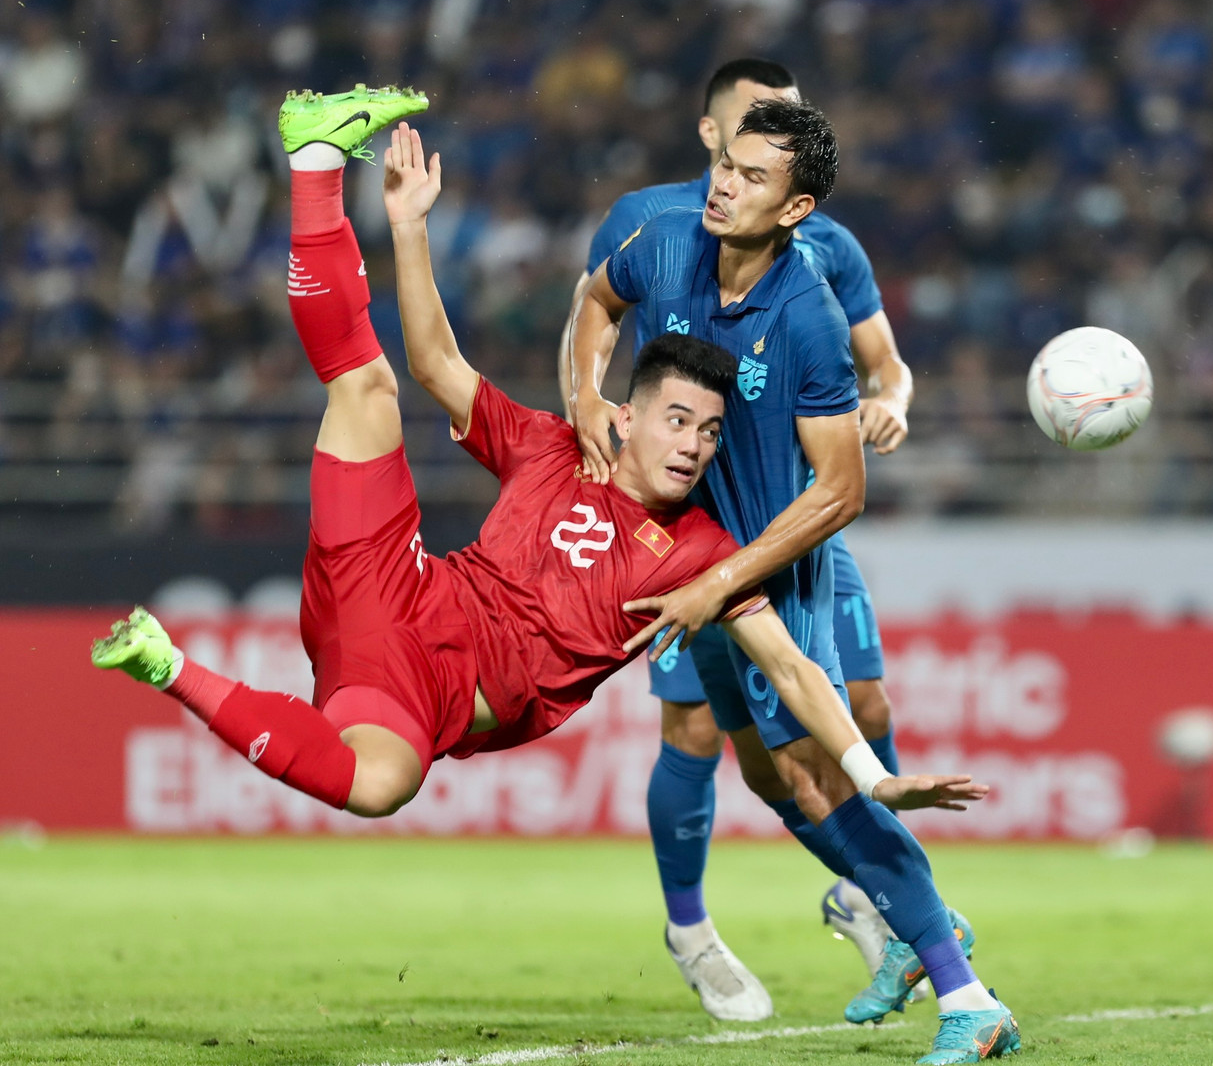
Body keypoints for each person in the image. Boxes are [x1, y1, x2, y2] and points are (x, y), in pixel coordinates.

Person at [91, 91, 982, 849]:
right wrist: (407, 231)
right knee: (366, 387)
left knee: (378, 784)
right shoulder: (556, 445)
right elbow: (440, 367)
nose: (693, 445)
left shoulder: (701, 549)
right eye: (678, 421)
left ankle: (168, 666)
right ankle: (319, 157)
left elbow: (792, 669)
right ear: (627, 417)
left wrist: (872, 776)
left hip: (417, 689)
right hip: (387, 586)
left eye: (711, 434)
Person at [570, 96, 1020, 1063]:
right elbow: (594, 300)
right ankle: (912, 924)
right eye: (727, 164)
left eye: (754, 177)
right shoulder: (661, 241)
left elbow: (844, 489)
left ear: (797, 207)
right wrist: (585, 398)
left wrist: (722, 577)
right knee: (776, 778)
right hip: (702, 571)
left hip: (773, 569)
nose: (725, 185)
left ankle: (965, 992)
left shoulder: (808, 314)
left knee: (822, 773)